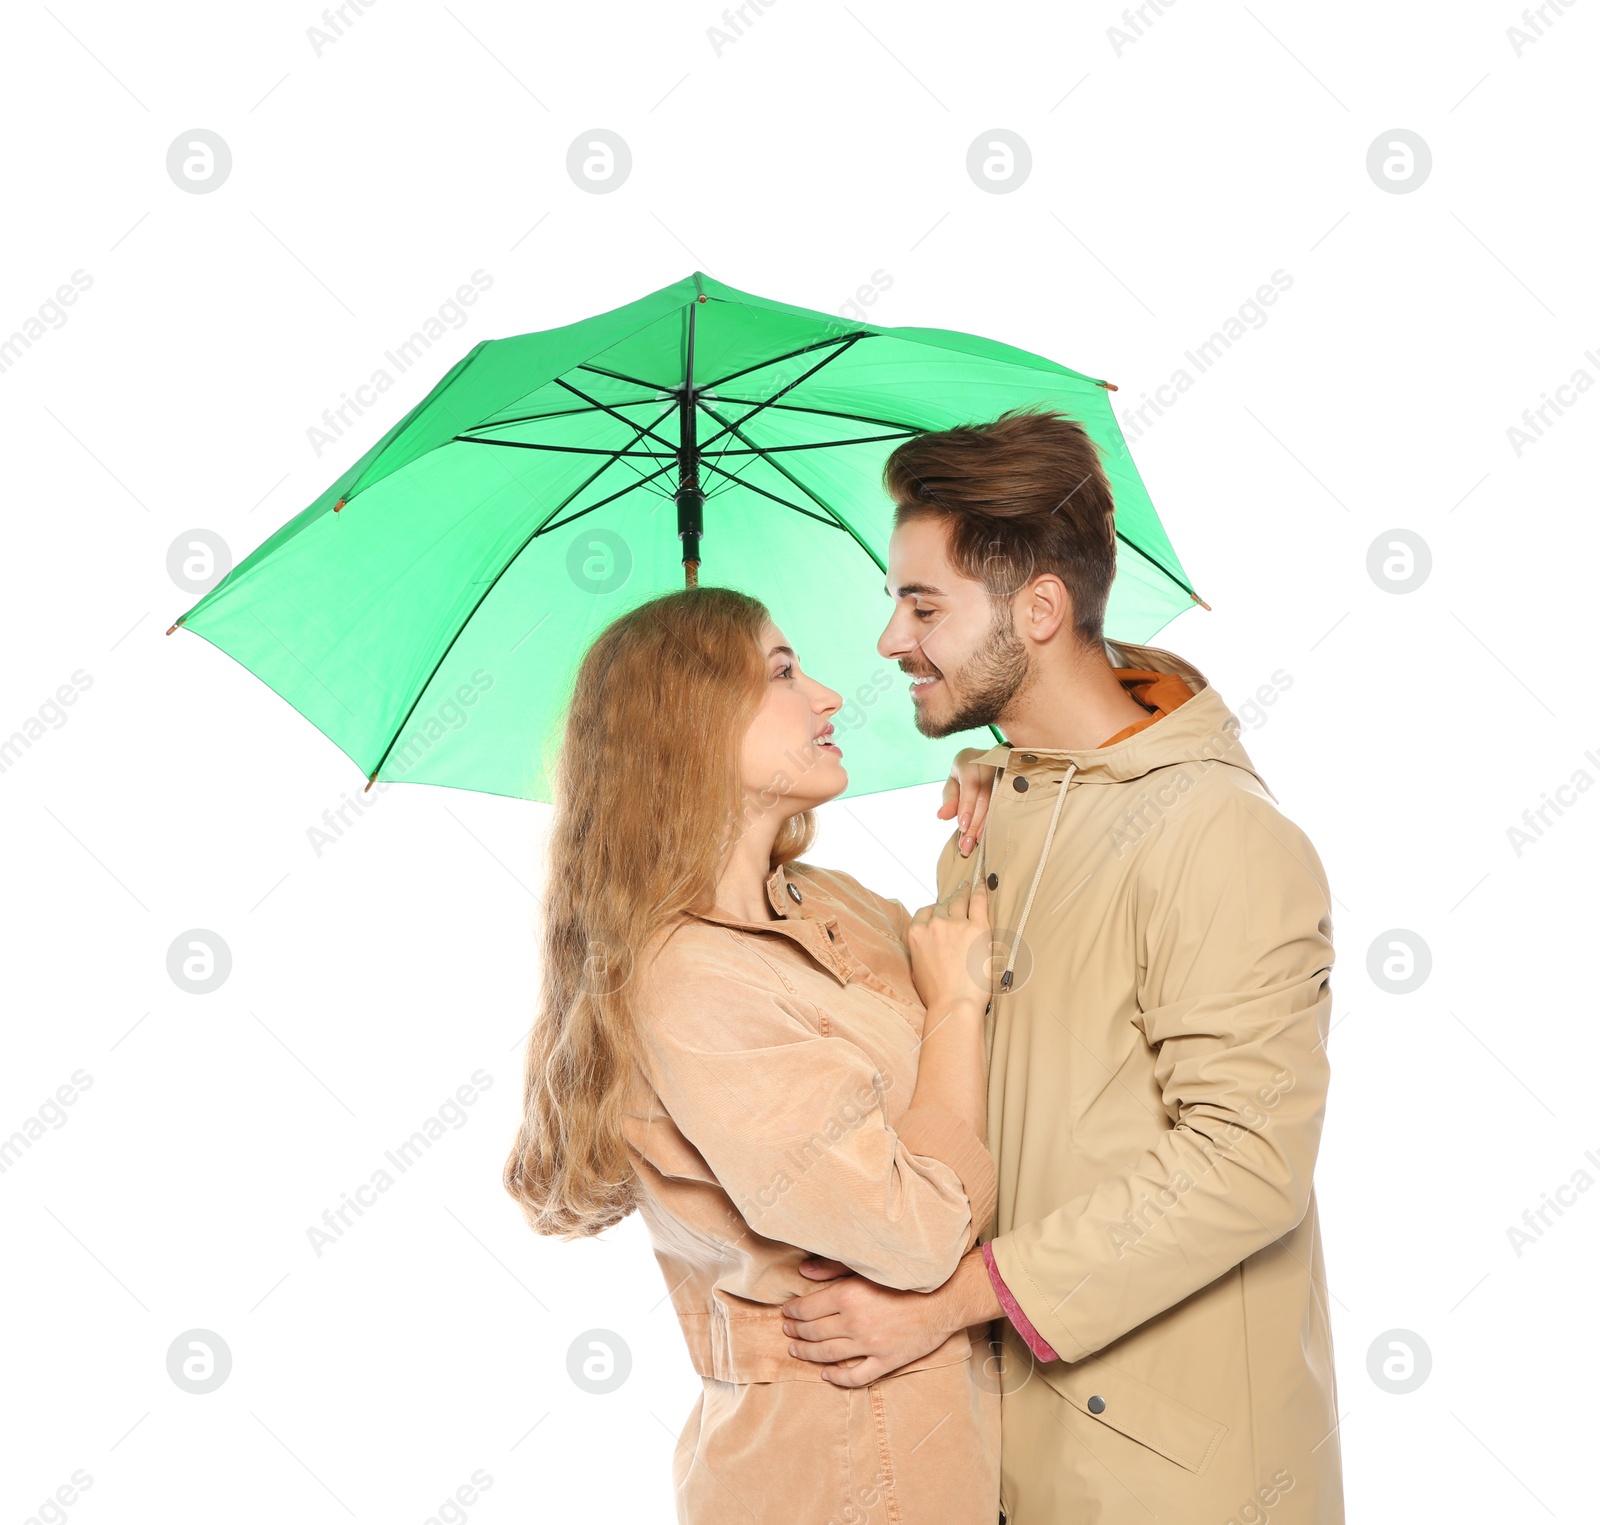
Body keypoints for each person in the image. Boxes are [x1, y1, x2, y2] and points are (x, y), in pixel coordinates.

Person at [780, 407, 1345, 1524]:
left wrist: (951, 1300)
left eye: (923, 603)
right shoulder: (990, 823)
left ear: (1038, 608)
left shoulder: (1220, 837)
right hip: (1004, 1455)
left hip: (1176, 1485)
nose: (891, 640)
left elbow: (1242, 1163)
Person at [502, 586, 1006, 1524]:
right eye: (781, 671)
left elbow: (1004, 1004)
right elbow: (915, 1230)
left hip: (952, 1441)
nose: (827, 696)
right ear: (692, 724)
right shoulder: (688, 981)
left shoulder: (826, 901)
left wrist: (1005, 793)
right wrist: (961, 1003)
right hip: (844, 1469)